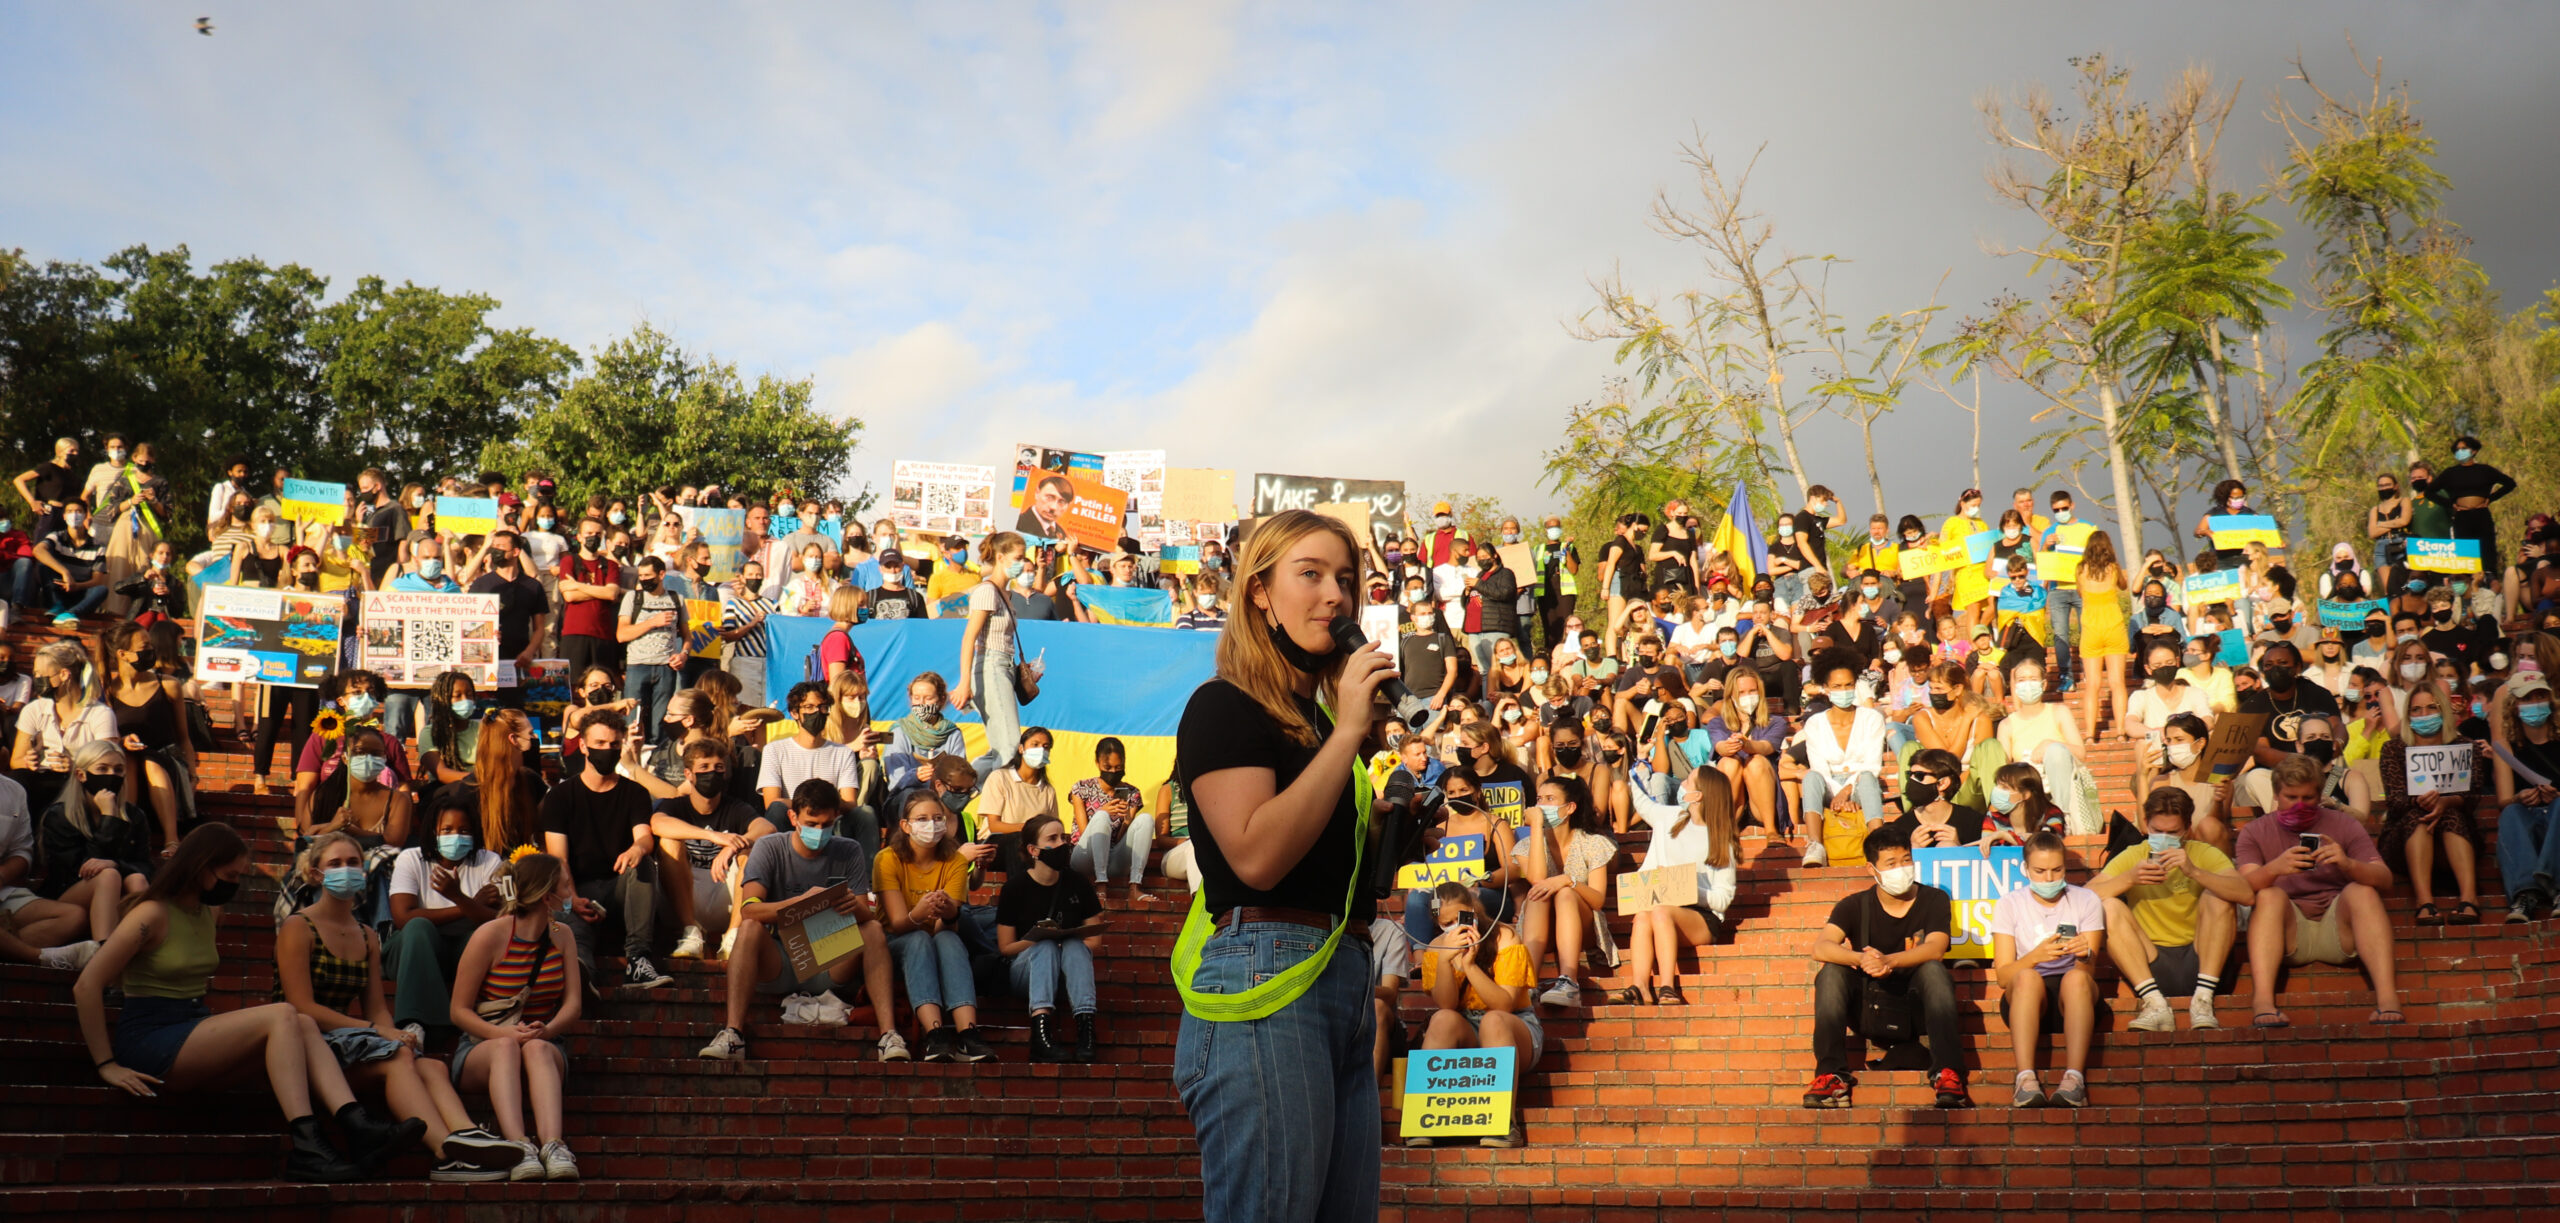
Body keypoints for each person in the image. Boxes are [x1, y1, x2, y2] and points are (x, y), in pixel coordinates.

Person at [1170, 508, 1391, 1222]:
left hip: (1345, 982)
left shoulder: (1326, 727)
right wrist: (1352, 731)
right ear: (1259, 591)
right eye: (1312, 574)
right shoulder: (1222, 705)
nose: (1337, 595)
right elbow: (1258, 856)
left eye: (1347, 579)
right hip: (1266, 977)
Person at [76, 823, 420, 1182]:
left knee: (301, 1024)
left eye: (239, 876)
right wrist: (106, 1064)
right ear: (200, 866)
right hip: (150, 1037)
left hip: (192, 1023)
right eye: (229, 875)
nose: (234, 884)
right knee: (285, 1014)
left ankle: (354, 1125)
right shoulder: (151, 914)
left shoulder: (208, 911)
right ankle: (309, 1146)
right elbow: (87, 985)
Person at [278, 831, 522, 1181]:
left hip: (347, 1042)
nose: (346, 870)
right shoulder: (298, 927)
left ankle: (467, 1134)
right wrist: (380, 1032)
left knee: (433, 1067)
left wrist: (390, 1033)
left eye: (353, 863)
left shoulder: (366, 934)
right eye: (335, 864)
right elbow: (301, 1006)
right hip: (306, 1046)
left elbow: (376, 1007)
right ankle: (445, 1154)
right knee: (397, 1058)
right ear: (316, 874)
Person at [696, 779, 904, 1063]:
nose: (819, 831)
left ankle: (888, 1035)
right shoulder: (770, 847)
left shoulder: (849, 849)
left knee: (873, 929)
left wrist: (850, 907)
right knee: (749, 928)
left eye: (827, 824)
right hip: (779, 957)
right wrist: (802, 902)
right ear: (793, 817)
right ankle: (733, 1033)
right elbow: (750, 910)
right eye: (811, 823)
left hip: (828, 954)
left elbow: (866, 913)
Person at [1801, 824, 1968, 1109]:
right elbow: (1821, 947)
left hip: (1917, 1007)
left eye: (1906, 860)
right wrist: (1860, 959)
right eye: (1891, 863)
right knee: (1830, 973)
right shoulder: (1854, 905)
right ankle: (1831, 1076)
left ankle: (1947, 1073)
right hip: (1870, 1007)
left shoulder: (1934, 898)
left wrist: (1889, 960)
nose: (1901, 868)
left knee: (1933, 969)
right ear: (1871, 869)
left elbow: (1936, 947)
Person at [447, 852, 586, 1181]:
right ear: (547, 895)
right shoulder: (491, 935)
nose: (570, 894)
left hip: (541, 1043)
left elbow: (573, 1004)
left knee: (536, 1049)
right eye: (565, 887)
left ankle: (553, 1145)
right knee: (507, 1048)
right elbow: (458, 1011)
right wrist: (504, 1035)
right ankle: (519, 1145)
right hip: (484, 1044)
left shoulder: (562, 935)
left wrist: (547, 1030)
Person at [2236, 753, 2403, 1027]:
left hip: (2338, 928)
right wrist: (2275, 869)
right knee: (2268, 894)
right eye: (2291, 797)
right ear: (2276, 795)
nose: (2300, 805)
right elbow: (2243, 890)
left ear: (2319, 794)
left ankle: (2388, 999)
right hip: (2289, 931)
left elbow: (2384, 879)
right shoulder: (2255, 831)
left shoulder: (2344, 824)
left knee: (2363, 891)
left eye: (2308, 798)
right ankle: (2263, 1001)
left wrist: (2348, 864)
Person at [2094, 787, 2252, 1034]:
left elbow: (2245, 894)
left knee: (2219, 895)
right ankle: (2155, 1004)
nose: (2164, 838)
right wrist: (2128, 878)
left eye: (2173, 832)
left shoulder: (2202, 852)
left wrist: (2195, 872)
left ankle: (2202, 1001)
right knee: (2109, 905)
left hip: (2201, 957)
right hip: (2151, 963)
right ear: (2146, 825)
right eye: (2157, 831)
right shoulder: (2134, 855)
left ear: (2188, 828)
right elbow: (2082, 898)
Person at [540, 711, 670, 993]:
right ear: (584, 746)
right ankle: (581, 977)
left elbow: (644, 838)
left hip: (622, 887)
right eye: (599, 743)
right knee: (573, 929)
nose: (607, 750)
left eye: (614, 744)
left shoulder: (634, 793)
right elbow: (558, 858)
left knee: (643, 863)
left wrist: (637, 848)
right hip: (577, 889)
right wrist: (572, 898)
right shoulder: (561, 796)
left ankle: (638, 960)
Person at [1406, 882, 1540, 1150]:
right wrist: (1445, 959)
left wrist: (1469, 966)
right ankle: (1423, 1121)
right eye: (1446, 923)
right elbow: (1446, 1003)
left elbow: (1504, 1004)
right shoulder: (1436, 946)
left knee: (1493, 1020)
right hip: (1465, 1023)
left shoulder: (1504, 936)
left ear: (1473, 910)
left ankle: (1503, 1124)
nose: (1454, 927)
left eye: (1460, 918)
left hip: (1511, 1026)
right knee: (1442, 1018)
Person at [1987, 832, 2104, 1108]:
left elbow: (2089, 972)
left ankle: (2074, 1080)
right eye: (2040, 871)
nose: (2049, 879)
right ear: (2026, 869)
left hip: (2075, 998)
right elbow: (2004, 977)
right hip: (2026, 999)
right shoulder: (2009, 904)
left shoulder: (2086, 900)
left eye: (2057, 870)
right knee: (2026, 977)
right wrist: (2035, 956)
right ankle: (2025, 1079)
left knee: (2075, 978)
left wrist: (2084, 953)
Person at [878, 788, 994, 1062]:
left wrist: (949, 912)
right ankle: (935, 1034)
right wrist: (918, 914)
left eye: (938, 818)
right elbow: (896, 923)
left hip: (935, 940)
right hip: (893, 942)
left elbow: (948, 928)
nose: (931, 825)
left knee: (948, 940)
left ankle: (968, 1034)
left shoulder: (954, 860)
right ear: (905, 826)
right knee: (919, 939)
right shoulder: (887, 859)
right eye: (922, 819)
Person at [1607, 770, 1740, 1007]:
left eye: (1688, 781)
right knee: (1642, 917)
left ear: (1698, 795)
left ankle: (1667, 986)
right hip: (1663, 906)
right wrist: (1630, 770)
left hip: (1701, 916)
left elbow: (1723, 898)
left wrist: (1684, 889)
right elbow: (1642, 802)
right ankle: (1639, 986)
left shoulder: (1721, 839)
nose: (1682, 784)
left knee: (1660, 911)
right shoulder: (1670, 817)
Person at [386, 798, 507, 1045]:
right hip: (413, 951)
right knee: (419, 927)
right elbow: (404, 917)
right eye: (447, 830)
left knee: (484, 936)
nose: (456, 836)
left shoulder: (490, 862)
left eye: (464, 830)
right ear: (433, 831)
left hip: (463, 954)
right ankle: (416, 1023)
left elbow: (501, 921)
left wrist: (459, 898)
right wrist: (466, 903)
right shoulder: (411, 859)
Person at [996, 811, 1109, 1062]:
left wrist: (1063, 943)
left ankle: (1086, 1032)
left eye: (1063, 837)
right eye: (1053, 839)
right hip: (1025, 970)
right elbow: (1005, 947)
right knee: (1045, 946)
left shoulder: (1077, 883)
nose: (1062, 844)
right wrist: (1038, 938)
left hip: (1067, 968)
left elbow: (1094, 939)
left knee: (1075, 945)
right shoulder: (1015, 888)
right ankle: (1041, 1035)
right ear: (1033, 850)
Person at [2376, 679, 2490, 925]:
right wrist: (2422, 800)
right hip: (2404, 836)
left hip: (2457, 830)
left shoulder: (2465, 747)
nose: (2423, 714)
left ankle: (2470, 899)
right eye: (2416, 710)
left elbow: (2472, 797)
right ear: (2407, 715)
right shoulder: (2393, 749)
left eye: (2431, 707)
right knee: (2419, 816)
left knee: (2450, 814)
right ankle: (2424, 902)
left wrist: (2446, 802)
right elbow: (2395, 802)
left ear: (2443, 711)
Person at [651, 738, 776, 960]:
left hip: (725, 896)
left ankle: (733, 935)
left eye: (718, 767)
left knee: (750, 852)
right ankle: (691, 932)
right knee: (669, 841)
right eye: (704, 768)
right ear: (688, 774)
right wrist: (712, 836)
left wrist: (735, 846)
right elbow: (657, 823)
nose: (712, 773)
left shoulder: (735, 807)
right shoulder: (676, 805)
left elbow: (767, 827)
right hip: (682, 898)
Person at [1518, 776, 1618, 1009]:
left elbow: (1598, 900)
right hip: (1541, 926)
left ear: (1570, 807)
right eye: (1539, 799)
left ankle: (1568, 982)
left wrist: (1569, 881)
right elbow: (1538, 879)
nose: (1541, 806)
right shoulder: (1526, 846)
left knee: (1564, 893)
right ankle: (1528, 983)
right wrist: (1535, 828)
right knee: (1539, 892)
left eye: (1550, 799)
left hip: (1583, 925)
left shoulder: (1592, 843)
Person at [1799, 655, 1889, 865]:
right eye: (1837, 686)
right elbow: (1819, 767)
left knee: (1867, 777)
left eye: (1849, 685)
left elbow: (1872, 765)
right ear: (1826, 688)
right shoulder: (1815, 723)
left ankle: (1878, 843)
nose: (1844, 691)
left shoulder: (1872, 718)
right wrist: (1836, 795)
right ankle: (1815, 845)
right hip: (1827, 786)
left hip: (1859, 786)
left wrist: (1846, 791)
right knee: (1811, 777)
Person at [954, 531, 1032, 770]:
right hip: (990, 667)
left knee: (1001, 750)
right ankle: (955, 794)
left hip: (1004, 668)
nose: (1022, 563)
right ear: (1000, 557)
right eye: (1018, 558)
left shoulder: (1005, 594)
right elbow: (969, 638)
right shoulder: (987, 591)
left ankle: (954, 794)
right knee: (1010, 747)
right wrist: (964, 682)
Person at [2495, 672, 2560, 922]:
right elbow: (2503, 801)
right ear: (2515, 706)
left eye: (2540, 696)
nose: (2535, 703)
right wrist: (2519, 797)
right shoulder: (2508, 746)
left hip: (2557, 817)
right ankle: (2525, 893)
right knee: (2511, 812)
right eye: (2527, 698)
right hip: (2528, 818)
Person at [1065, 736, 1156, 905]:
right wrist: (1102, 811)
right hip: (1084, 855)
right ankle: (1101, 885)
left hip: (1113, 857)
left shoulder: (1132, 792)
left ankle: (1135, 885)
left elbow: (1121, 837)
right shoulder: (1081, 788)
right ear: (1098, 763)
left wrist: (1125, 820)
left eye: (1118, 767)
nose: (1113, 772)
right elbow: (1085, 832)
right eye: (1108, 767)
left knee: (1146, 819)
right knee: (1101, 816)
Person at [615, 555, 687, 744]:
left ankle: (657, 762)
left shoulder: (676, 599)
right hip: (638, 665)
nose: (644, 579)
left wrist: (683, 654)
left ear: (661, 574)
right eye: (641, 575)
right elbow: (621, 635)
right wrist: (652, 622)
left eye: (648, 575)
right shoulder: (633, 597)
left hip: (666, 667)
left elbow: (688, 636)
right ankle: (631, 761)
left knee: (660, 724)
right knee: (634, 720)